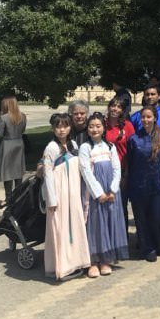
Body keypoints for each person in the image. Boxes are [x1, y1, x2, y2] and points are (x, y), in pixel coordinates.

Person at [78, 113, 129, 278]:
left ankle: (106, 259)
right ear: (87, 129)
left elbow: (117, 168)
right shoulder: (85, 148)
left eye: (98, 126)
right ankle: (93, 261)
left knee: (109, 222)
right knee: (95, 225)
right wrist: (98, 193)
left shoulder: (110, 147)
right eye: (91, 126)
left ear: (103, 127)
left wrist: (113, 189)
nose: (95, 129)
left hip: (111, 192)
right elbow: (86, 171)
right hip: (94, 194)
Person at [41, 113, 90, 279]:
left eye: (65, 126)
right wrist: (51, 199)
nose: (62, 130)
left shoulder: (74, 144)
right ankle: (60, 265)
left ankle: (75, 261)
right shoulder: (51, 148)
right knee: (60, 228)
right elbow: (47, 174)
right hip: (59, 193)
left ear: (70, 127)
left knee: (74, 225)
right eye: (58, 126)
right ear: (53, 129)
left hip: (73, 192)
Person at [124, 106, 160, 262]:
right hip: (139, 184)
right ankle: (147, 248)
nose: (146, 120)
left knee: (157, 218)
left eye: (149, 117)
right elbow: (129, 162)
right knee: (141, 219)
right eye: (143, 117)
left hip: (158, 184)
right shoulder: (134, 139)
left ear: (155, 118)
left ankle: (159, 245)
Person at [106, 96, 135, 232]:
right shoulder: (102, 124)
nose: (115, 109)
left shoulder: (127, 126)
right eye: (113, 105)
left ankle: (123, 239)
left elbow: (131, 151)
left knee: (121, 205)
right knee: (107, 206)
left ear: (123, 110)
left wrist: (127, 174)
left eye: (119, 107)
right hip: (105, 171)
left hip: (123, 171)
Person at [0, 94, 27, 208]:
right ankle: (18, 197)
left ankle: (8, 198)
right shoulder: (23, 116)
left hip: (7, 144)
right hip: (18, 143)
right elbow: (22, 130)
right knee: (18, 172)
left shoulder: (3, 118)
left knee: (7, 173)